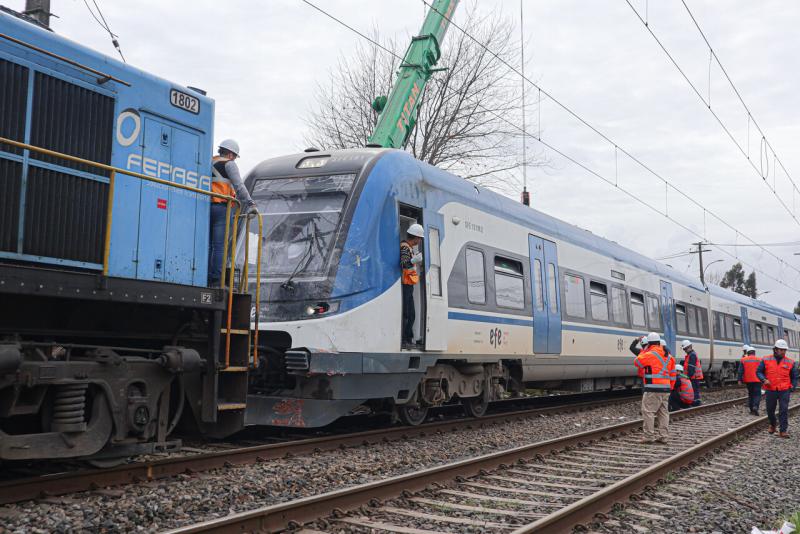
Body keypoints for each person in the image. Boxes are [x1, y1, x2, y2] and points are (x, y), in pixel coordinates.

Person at [208, 139, 256, 286]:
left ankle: (204, 274)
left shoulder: (207, 161)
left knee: (208, 245)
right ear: (230, 154)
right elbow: (239, 186)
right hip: (221, 207)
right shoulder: (229, 164)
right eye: (234, 156)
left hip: (204, 207)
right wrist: (250, 203)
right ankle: (216, 279)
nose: (234, 159)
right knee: (219, 246)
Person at [633, 332, 676, 443]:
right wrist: (670, 387)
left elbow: (637, 362)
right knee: (663, 413)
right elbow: (672, 375)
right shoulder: (669, 357)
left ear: (649, 343)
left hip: (652, 388)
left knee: (648, 411)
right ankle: (663, 436)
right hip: (666, 389)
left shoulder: (649, 354)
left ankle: (648, 436)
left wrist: (645, 350)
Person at [756, 339, 798, 438]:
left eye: (784, 350)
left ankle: (783, 431)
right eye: (781, 349)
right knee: (770, 410)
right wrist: (763, 379)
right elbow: (759, 372)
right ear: (775, 349)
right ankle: (773, 424)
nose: (783, 352)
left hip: (784, 390)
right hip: (771, 389)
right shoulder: (766, 359)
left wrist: (792, 386)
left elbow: (795, 376)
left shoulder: (790, 362)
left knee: (783, 410)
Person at [400, 223, 424, 347]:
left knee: (411, 314)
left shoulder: (409, 247)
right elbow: (404, 264)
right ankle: (405, 340)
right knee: (408, 314)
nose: (420, 241)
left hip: (408, 284)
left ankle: (408, 339)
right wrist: (414, 260)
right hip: (406, 284)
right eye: (419, 238)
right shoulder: (405, 247)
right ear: (415, 237)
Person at [738, 345, 762, 415]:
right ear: (754, 353)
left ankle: (751, 410)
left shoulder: (743, 360)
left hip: (748, 380)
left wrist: (739, 380)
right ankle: (755, 406)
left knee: (751, 394)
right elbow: (763, 370)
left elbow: (740, 371)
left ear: (747, 353)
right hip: (757, 380)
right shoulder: (759, 359)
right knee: (757, 394)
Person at [680, 340, 704, 406]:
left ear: (689, 347)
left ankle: (696, 404)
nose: (684, 350)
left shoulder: (692, 355)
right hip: (694, 376)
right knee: (694, 390)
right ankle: (695, 403)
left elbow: (691, 367)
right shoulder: (690, 355)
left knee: (694, 391)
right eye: (684, 349)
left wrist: (688, 376)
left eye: (685, 349)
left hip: (694, 377)